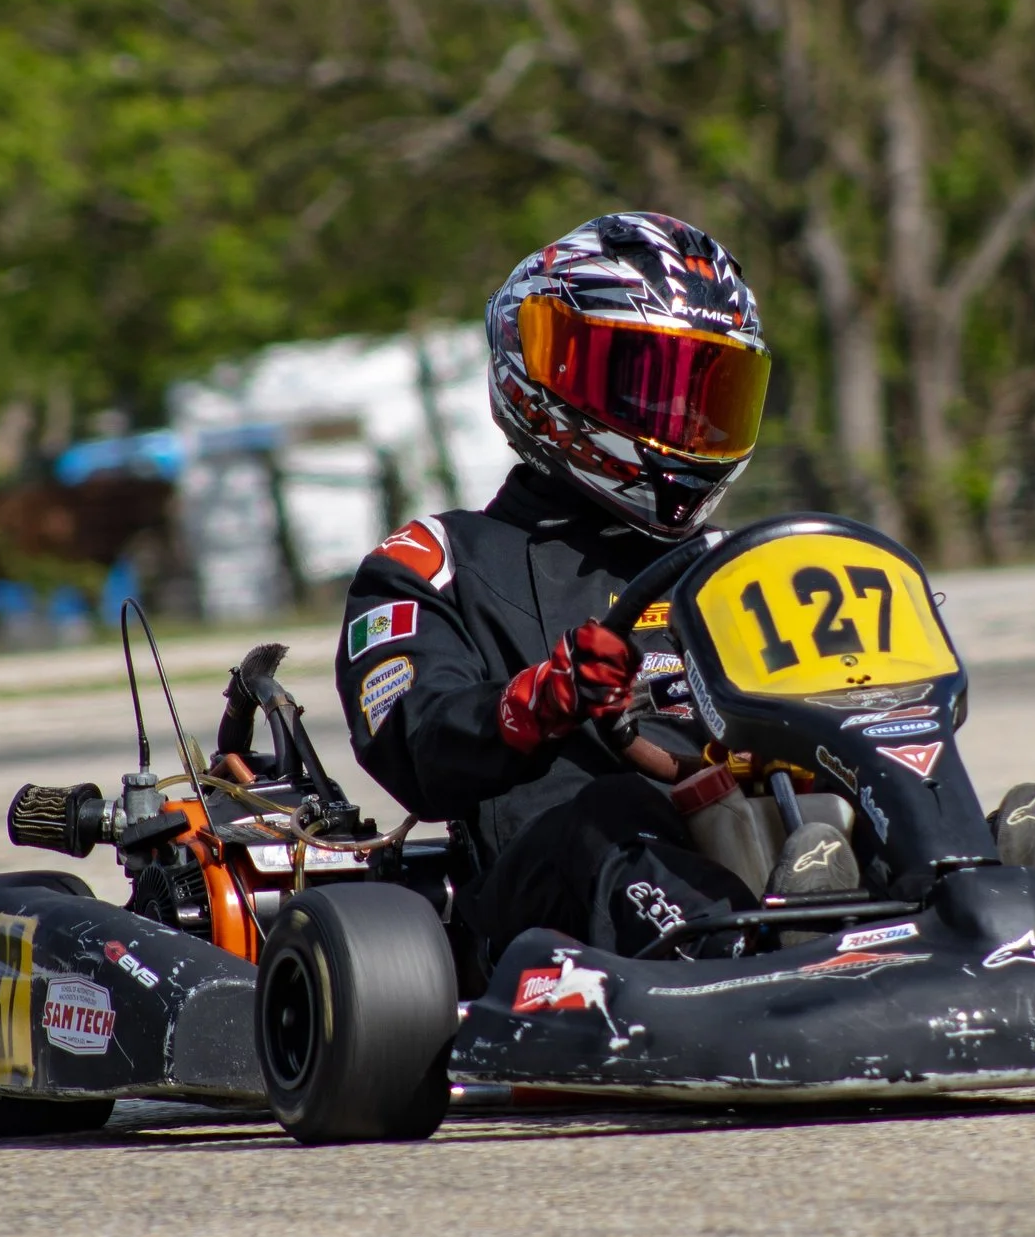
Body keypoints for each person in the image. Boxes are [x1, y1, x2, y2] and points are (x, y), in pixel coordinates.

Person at [333, 214, 856, 964]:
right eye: (653, 387)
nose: (683, 420)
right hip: (552, 910)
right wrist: (532, 703)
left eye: (705, 392)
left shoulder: (743, 567)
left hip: (768, 841)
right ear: (551, 375)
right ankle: (748, 953)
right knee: (614, 811)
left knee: (876, 797)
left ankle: (984, 897)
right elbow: (416, 747)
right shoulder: (436, 563)